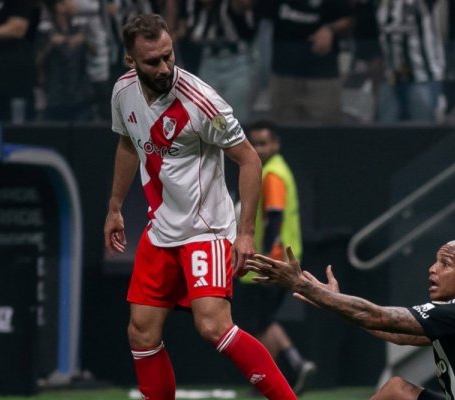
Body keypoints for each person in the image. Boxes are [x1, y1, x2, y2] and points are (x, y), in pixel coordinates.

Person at [103, 14, 296, 400]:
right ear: (130, 61)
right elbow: (128, 142)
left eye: (168, 56)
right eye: (153, 62)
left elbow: (250, 160)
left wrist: (244, 234)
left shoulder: (203, 103)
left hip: (206, 229)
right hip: (161, 230)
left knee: (212, 327)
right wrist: (115, 207)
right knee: (140, 330)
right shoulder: (123, 91)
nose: (164, 68)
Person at [245, 240, 455, 399]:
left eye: (445, 264)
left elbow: (379, 316)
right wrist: (333, 303)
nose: (432, 269)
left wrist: (302, 285)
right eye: (435, 260)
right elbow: (395, 332)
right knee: (397, 390)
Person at [233, 120, 316, 395]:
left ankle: (263, 381)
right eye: (254, 142)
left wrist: (265, 258)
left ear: (276, 144)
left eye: (263, 142)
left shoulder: (271, 173)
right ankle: (296, 363)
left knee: (258, 323)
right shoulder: (271, 169)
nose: (258, 148)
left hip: (272, 261)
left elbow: (275, 217)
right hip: (278, 258)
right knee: (264, 320)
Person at [260, 0, 354, 124]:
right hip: (283, 76)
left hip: (322, 78)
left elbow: (350, 19)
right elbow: (257, 12)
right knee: (284, 134)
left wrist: (330, 29)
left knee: (325, 134)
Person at [375, 0, 446, 123]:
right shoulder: (383, 4)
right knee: (386, 127)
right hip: (392, 75)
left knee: (422, 126)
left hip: (422, 74)